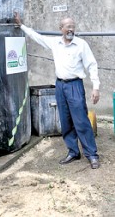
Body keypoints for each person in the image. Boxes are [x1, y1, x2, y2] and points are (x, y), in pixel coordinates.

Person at [14, 12, 100, 169]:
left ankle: (92, 155)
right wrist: (22, 26)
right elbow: (37, 37)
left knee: (81, 120)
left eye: (73, 26)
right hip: (60, 86)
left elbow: (92, 65)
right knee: (65, 121)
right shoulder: (54, 43)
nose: (71, 29)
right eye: (68, 26)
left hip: (75, 85)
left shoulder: (81, 44)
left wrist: (96, 87)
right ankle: (73, 152)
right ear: (61, 28)